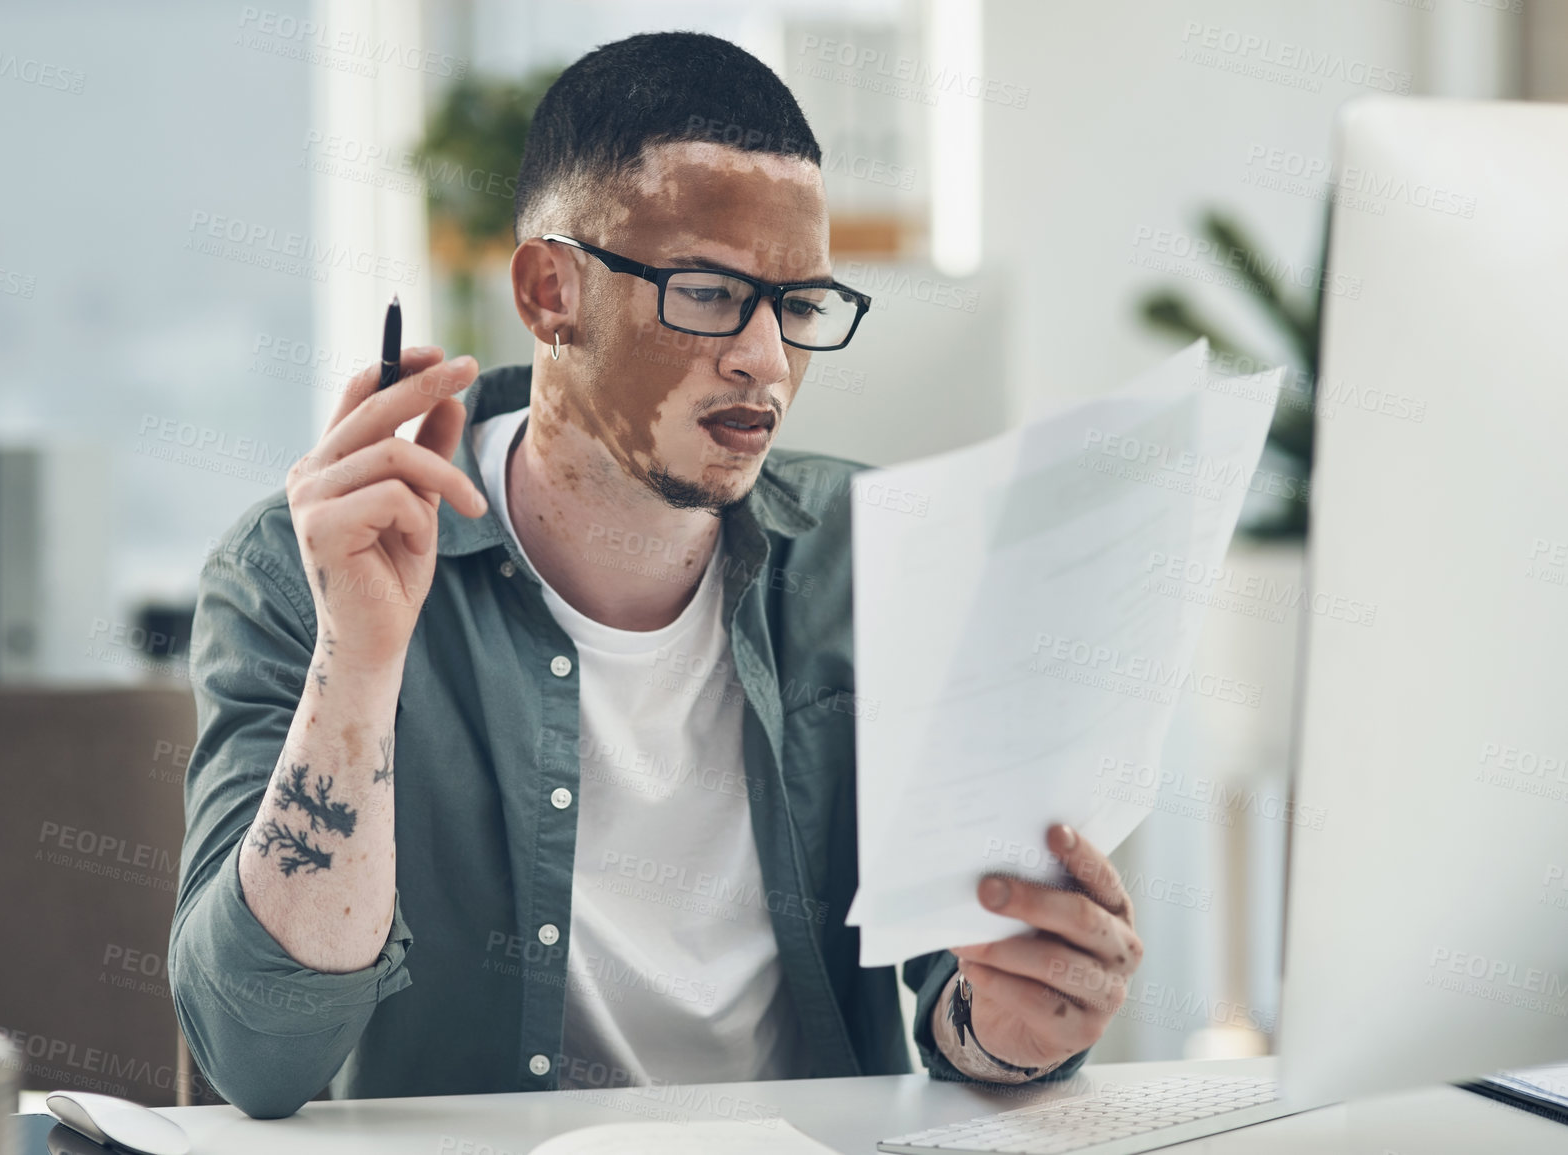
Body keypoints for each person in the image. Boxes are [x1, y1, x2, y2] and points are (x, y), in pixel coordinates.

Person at [170, 30, 1143, 1120]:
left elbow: (956, 992)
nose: (766, 360)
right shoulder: (303, 569)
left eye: (801, 306)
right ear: (550, 292)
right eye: (710, 292)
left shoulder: (881, 559)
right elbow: (255, 1055)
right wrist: (359, 660)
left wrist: (1006, 1033)